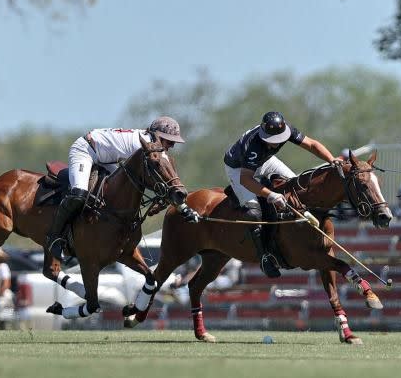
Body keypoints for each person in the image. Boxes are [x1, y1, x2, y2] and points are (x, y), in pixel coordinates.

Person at [45, 116, 199, 268]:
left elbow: (168, 183)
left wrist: (185, 209)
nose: (172, 145)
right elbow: (163, 181)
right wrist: (183, 208)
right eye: (170, 141)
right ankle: (54, 237)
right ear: (158, 136)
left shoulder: (154, 147)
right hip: (86, 149)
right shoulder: (143, 146)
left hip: (107, 159)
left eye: (173, 142)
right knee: (79, 194)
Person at [223, 111, 341, 277]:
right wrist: (270, 195)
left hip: (266, 161)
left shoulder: (287, 130)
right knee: (254, 213)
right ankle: (264, 256)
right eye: (271, 141)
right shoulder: (254, 146)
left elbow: (312, 144)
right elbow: (246, 179)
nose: (275, 144)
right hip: (239, 170)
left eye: (278, 140)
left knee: (297, 190)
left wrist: (331, 159)